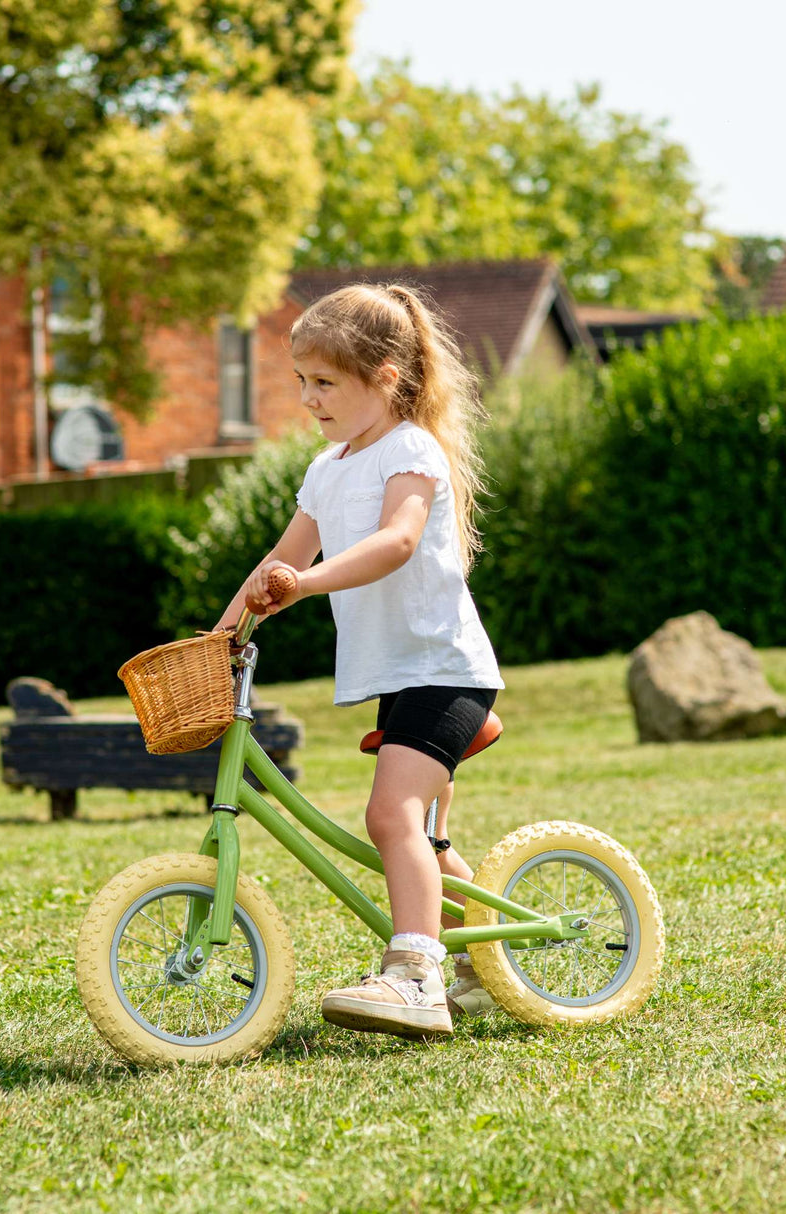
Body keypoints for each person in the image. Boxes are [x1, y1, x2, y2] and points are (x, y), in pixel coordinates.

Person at [216, 283, 504, 1040]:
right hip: (397, 676)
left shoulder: (411, 449)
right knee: (423, 843)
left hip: (446, 669)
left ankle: (416, 978)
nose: (309, 399)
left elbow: (397, 541)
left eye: (325, 383)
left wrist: (305, 585)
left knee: (390, 815)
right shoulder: (327, 467)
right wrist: (220, 639)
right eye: (302, 382)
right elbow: (278, 559)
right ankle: (483, 957)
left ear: (384, 377)